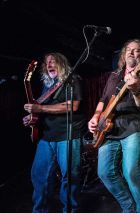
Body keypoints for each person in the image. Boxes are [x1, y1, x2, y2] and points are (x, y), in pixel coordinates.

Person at [88, 39, 140, 213]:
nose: (132, 52)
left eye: (137, 50)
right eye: (128, 49)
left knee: (131, 172)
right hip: (108, 129)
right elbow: (103, 100)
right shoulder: (113, 76)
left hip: (132, 126)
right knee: (104, 172)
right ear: (123, 54)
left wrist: (135, 89)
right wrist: (96, 117)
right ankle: (129, 208)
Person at [23, 52, 86, 213]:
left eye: (53, 61)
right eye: (46, 62)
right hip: (46, 136)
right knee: (39, 176)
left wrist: (41, 108)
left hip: (68, 135)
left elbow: (73, 106)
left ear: (62, 63)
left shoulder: (72, 79)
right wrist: (32, 118)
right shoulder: (47, 86)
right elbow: (41, 110)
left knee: (69, 177)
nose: (49, 64)